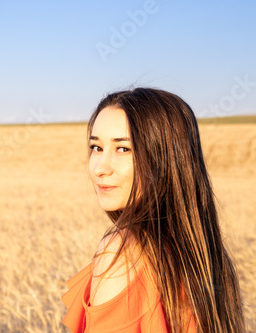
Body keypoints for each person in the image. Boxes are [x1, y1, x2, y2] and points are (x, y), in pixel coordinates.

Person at [62, 88, 246, 332]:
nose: (99, 168)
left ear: (164, 159)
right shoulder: (205, 255)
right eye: (96, 147)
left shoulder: (122, 254)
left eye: (123, 149)